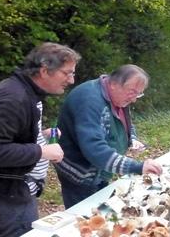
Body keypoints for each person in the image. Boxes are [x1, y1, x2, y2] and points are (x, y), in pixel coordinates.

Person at [0, 42, 81, 236]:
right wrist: (41, 151)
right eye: (67, 73)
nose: (71, 80)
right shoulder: (13, 98)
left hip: (14, 191)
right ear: (45, 71)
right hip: (6, 196)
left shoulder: (26, 92)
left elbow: (12, 135)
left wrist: (39, 136)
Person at [54, 64, 163, 209]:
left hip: (101, 170)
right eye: (132, 92)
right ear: (113, 84)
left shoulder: (118, 96)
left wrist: (132, 137)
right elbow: (95, 150)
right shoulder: (89, 100)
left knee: (101, 210)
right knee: (83, 217)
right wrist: (137, 167)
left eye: (139, 94)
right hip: (81, 173)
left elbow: (122, 121)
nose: (134, 99)